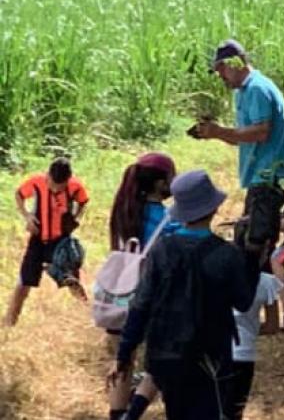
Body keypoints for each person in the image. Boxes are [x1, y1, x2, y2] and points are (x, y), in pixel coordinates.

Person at [110, 170, 262, 419]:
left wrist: (124, 353)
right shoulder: (227, 255)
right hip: (210, 357)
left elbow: (141, 304)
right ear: (212, 208)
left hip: (166, 354)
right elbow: (243, 302)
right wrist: (253, 259)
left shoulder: (162, 249)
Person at [194, 39, 284, 258]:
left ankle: (257, 286)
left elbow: (261, 132)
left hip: (270, 177)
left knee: (256, 242)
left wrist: (219, 131)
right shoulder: (241, 91)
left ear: (237, 63)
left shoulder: (257, 89)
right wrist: (213, 133)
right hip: (259, 176)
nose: (220, 75)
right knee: (250, 235)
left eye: (223, 68)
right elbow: (244, 137)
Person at [104, 153, 175, 420]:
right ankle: (133, 414)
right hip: (152, 298)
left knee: (124, 360)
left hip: (119, 295)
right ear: (159, 183)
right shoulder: (167, 220)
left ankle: (117, 413)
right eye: (171, 177)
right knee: (158, 363)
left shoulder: (124, 211)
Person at [6, 157, 89, 327]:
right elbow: (19, 194)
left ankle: (88, 315)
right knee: (24, 282)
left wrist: (76, 218)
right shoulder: (36, 183)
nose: (56, 188)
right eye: (53, 184)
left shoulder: (75, 187)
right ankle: (9, 322)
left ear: (68, 180)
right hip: (38, 239)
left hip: (61, 242)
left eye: (61, 186)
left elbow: (83, 201)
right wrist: (27, 216)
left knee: (71, 279)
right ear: (48, 176)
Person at [230, 269, 281, 419]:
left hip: (216, 350)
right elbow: (273, 326)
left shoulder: (217, 275)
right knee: (234, 410)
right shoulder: (267, 282)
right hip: (244, 352)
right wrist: (251, 329)